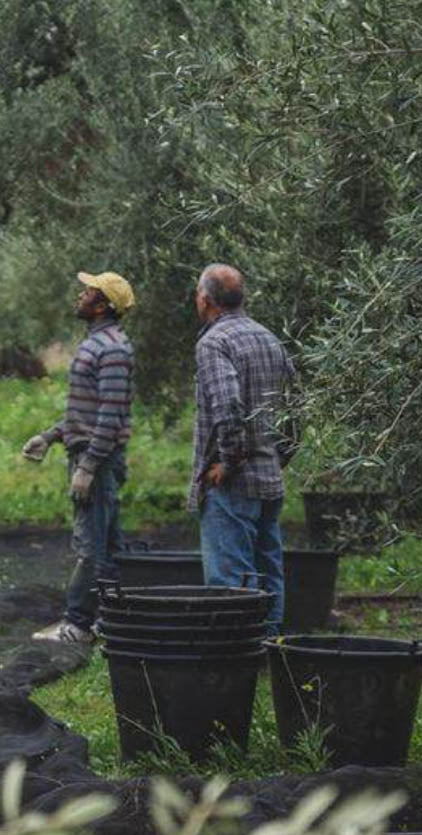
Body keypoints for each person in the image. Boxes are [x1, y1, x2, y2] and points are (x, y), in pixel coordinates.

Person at [23, 271, 135, 643]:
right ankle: (112, 620)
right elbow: (85, 411)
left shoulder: (113, 348)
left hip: (97, 459)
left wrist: (88, 466)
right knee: (108, 541)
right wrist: (50, 436)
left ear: (102, 305)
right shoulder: (96, 344)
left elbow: (110, 413)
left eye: (88, 291)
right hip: (90, 452)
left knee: (90, 545)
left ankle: (77, 625)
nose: (81, 294)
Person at [189, 263, 297, 634]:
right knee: (269, 573)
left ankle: (238, 658)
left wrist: (227, 462)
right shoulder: (270, 338)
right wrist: (279, 457)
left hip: (233, 484)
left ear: (204, 299)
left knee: (230, 580)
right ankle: (269, 649)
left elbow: (228, 405)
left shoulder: (214, 343)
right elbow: (296, 409)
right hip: (270, 479)